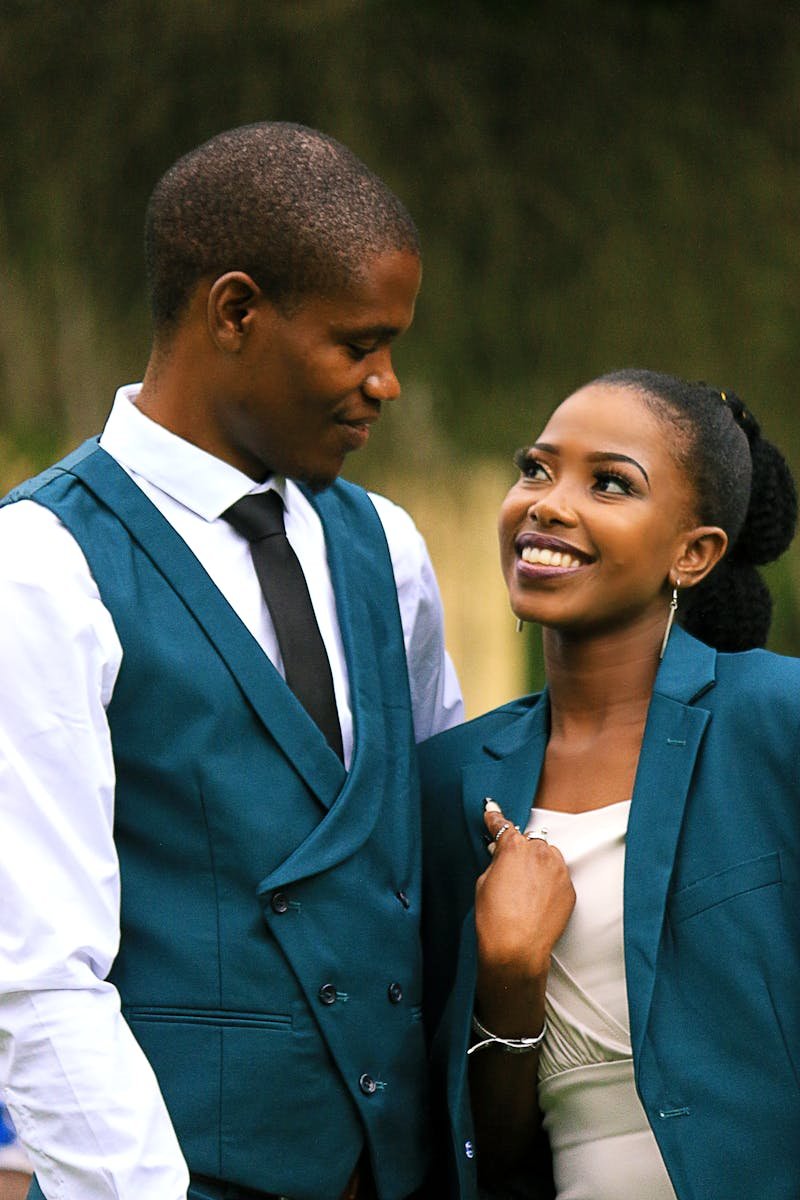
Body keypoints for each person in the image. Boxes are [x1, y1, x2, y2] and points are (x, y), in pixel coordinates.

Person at [0, 121, 463, 1200]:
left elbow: (423, 866)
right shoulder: (40, 566)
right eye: (358, 344)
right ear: (236, 311)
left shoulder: (387, 549)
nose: (387, 383)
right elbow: (37, 975)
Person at [419, 369, 800, 1200]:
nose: (548, 504)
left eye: (610, 484)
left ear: (693, 554)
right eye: (535, 469)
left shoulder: (778, 722)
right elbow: (487, 1152)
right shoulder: (448, 782)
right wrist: (509, 976)